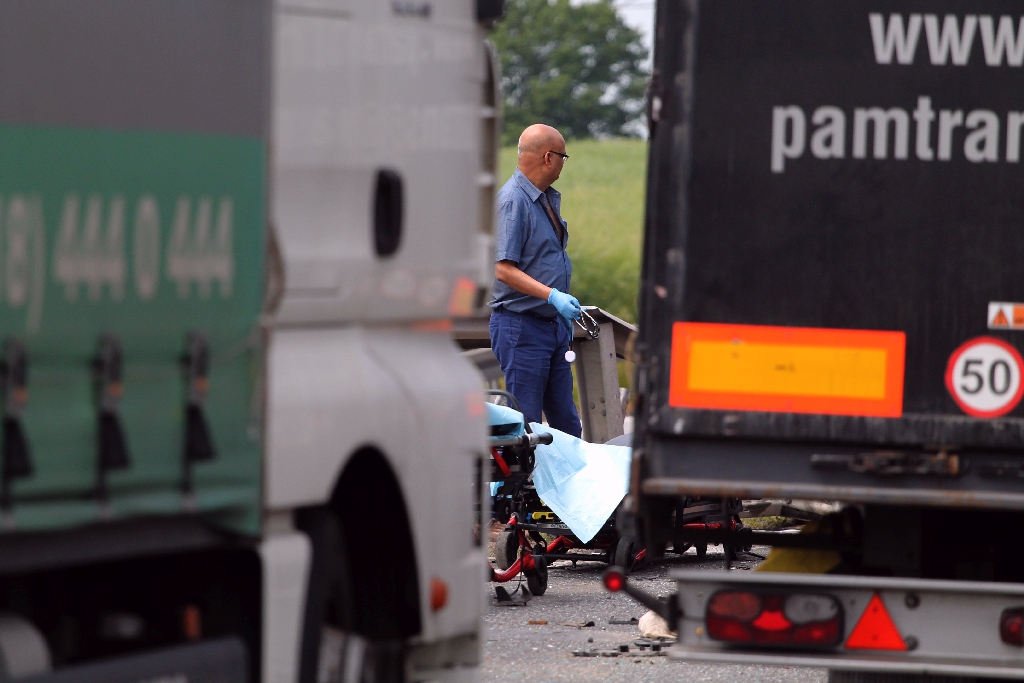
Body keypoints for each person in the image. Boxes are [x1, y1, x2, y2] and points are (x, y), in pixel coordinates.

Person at [489, 124, 583, 437]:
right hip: (522, 327)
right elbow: (502, 268)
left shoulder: (542, 199)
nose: (562, 164)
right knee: (526, 427)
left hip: (551, 326)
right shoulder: (512, 202)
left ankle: (564, 487)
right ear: (547, 157)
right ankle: (517, 488)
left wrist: (555, 307)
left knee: (567, 425)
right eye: (562, 157)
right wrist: (552, 295)